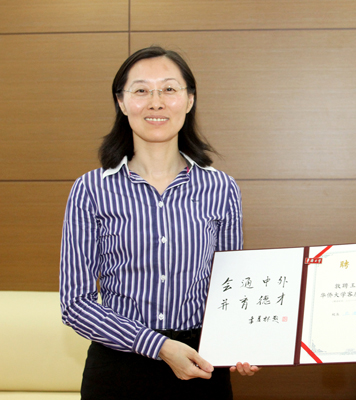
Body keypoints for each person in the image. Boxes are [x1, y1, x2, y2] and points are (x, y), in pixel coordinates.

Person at [60, 46, 257, 399]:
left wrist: (244, 340)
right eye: (141, 90)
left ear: (189, 99)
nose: (156, 102)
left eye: (168, 89)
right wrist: (158, 346)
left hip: (201, 365)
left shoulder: (221, 188)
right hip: (118, 368)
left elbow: (230, 287)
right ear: (122, 102)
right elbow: (76, 305)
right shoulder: (90, 190)